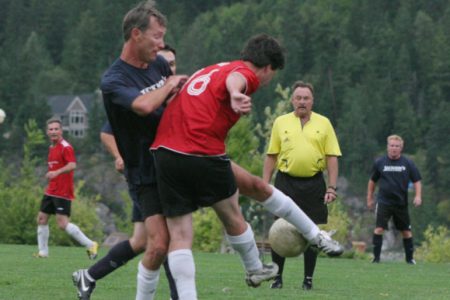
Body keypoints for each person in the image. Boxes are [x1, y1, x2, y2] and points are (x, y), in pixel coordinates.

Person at [151, 34, 344, 300]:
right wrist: (235, 94)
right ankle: (312, 238)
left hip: (164, 153)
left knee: (186, 232)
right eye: (271, 76)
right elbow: (238, 80)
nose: (266, 82)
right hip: (200, 150)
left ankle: (265, 262)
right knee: (242, 203)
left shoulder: (212, 68)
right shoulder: (244, 73)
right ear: (267, 68)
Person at [71, 1, 188, 300]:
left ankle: (89, 275)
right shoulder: (114, 81)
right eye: (157, 37)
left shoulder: (159, 65)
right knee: (159, 243)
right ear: (136, 34)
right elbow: (144, 106)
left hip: (170, 163)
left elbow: (170, 106)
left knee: (156, 241)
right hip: (142, 171)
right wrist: (172, 83)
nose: (162, 45)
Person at [262, 81, 342, 290]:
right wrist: (263, 185)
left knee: (313, 232)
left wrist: (331, 187)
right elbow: (271, 156)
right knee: (279, 230)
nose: (302, 102)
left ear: (312, 101)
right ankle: (277, 278)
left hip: (314, 183)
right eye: (298, 98)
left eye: (306, 98)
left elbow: (332, 157)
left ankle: (308, 280)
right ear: (292, 100)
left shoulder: (324, 123)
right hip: (285, 183)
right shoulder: (281, 122)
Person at [35, 118, 98, 259]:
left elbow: (72, 165)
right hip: (51, 189)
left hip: (63, 191)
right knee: (41, 218)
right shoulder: (51, 147)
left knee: (63, 224)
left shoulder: (66, 147)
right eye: (50, 129)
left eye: (56, 129)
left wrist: (56, 173)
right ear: (47, 132)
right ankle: (43, 253)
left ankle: (90, 245)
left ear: (61, 131)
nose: (53, 131)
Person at [367, 134, 422, 264]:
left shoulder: (407, 163)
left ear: (401, 148)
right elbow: (372, 181)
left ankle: (410, 259)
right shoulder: (380, 162)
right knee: (379, 229)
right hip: (384, 202)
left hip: (401, 203)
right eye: (392, 145)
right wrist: (369, 198)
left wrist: (418, 196)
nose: (394, 148)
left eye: (397, 146)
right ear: (387, 147)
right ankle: (376, 259)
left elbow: (417, 181)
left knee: (406, 232)